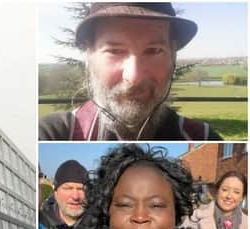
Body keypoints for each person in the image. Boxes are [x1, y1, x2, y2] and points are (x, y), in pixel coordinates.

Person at [39, 3, 222, 141]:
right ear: (89, 58)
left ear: (172, 59)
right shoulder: (51, 134)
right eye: (115, 51)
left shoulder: (202, 138)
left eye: (154, 50)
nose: (134, 77)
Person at [40, 144, 227, 229]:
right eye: (125, 205)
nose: (140, 216)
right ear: (108, 210)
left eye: (156, 205)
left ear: (176, 213)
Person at [181, 171, 248, 229]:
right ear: (217, 191)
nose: (229, 196)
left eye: (236, 192)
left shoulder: (247, 225)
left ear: (242, 197)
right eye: (225, 190)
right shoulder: (196, 216)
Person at [39, 160, 88, 229]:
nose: (75, 196)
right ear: (55, 192)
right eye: (68, 188)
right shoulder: (41, 227)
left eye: (81, 189)